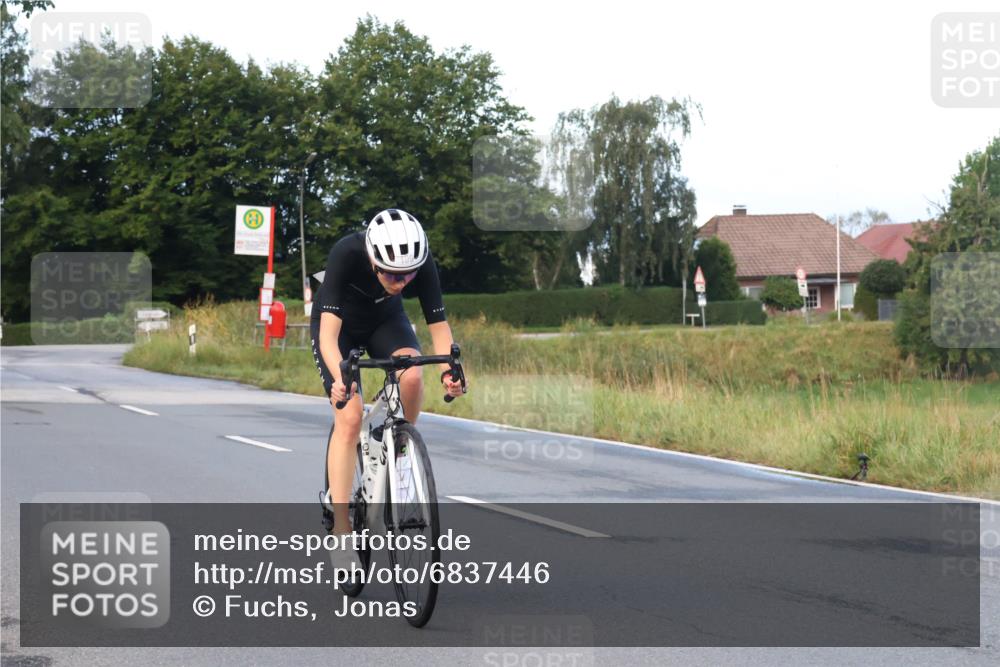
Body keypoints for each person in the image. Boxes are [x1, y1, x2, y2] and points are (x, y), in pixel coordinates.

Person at [310, 209, 464, 553]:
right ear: (373, 261)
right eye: (393, 276)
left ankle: (401, 456)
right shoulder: (346, 254)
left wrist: (449, 373)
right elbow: (328, 340)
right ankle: (341, 527)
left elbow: (439, 328)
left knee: (411, 376)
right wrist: (341, 379)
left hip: (385, 321)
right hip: (339, 327)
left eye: (409, 275)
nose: (402, 283)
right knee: (349, 417)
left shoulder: (420, 265)